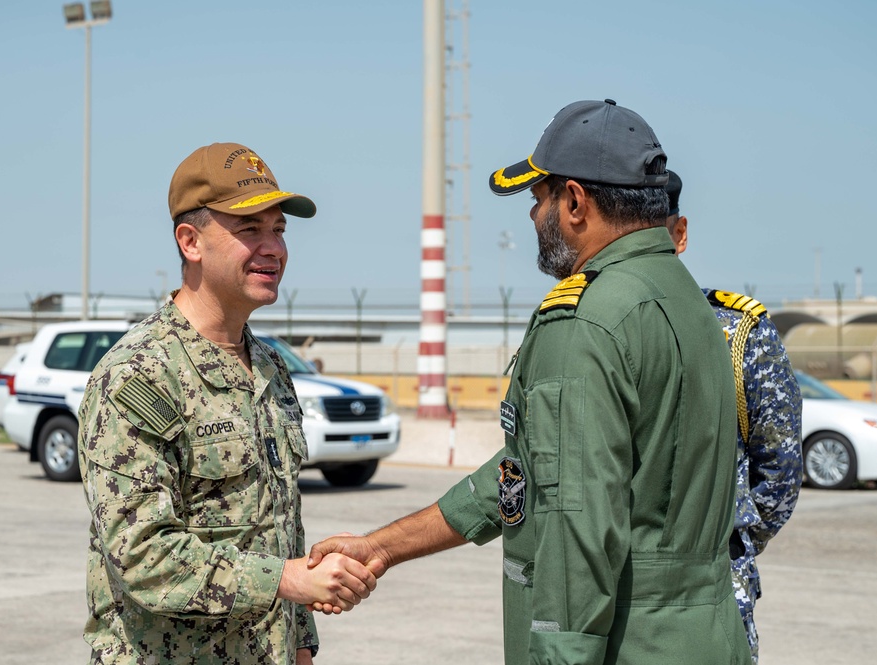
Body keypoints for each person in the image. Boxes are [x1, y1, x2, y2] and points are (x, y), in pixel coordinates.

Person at [309, 100, 752, 664]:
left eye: (538, 199)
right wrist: (380, 547)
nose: (531, 216)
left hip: (626, 644)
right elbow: (531, 473)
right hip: (706, 639)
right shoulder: (690, 302)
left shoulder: (587, 320)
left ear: (574, 201)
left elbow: (577, 518)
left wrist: (560, 655)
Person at [77, 142, 378, 665]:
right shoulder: (139, 375)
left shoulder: (267, 366)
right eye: (250, 231)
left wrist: (302, 643)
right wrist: (286, 579)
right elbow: (141, 554)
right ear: (190, 242)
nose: (274, 249)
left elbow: (281, 521)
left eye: (279, 231)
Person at [666, 169, 803, 662]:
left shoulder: (738, 334)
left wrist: (733, 537)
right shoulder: (591, 328)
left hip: (715, 591)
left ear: (679, 235)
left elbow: (781, 471)